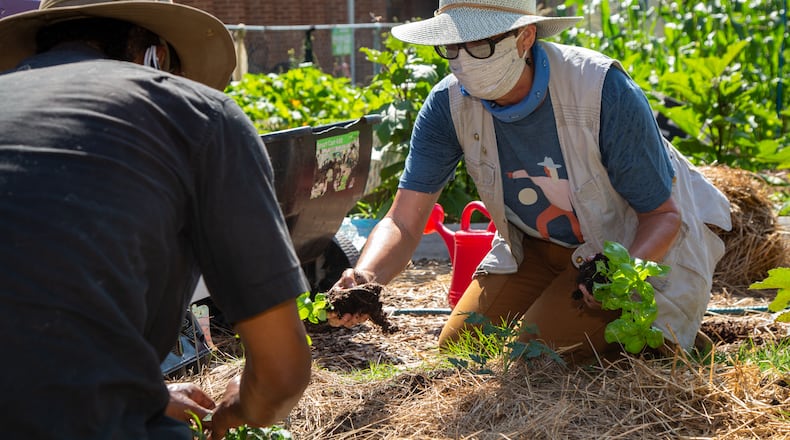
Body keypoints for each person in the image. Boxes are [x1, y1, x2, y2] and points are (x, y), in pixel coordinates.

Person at [329, 0, 732, 363]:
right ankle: (578, 318)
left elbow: (662, 215)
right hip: (536, 249)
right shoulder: (449, 105)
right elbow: (404, 220)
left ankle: (663, 345)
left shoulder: (600, 89)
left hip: (624, 247)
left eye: (481, 44)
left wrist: (614, 272)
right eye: (452, 46)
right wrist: (366, 277)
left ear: (525, 37)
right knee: (461, 350)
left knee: (535, 357)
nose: (464, 60)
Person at [0, 0, 312, 438]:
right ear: (156, 55)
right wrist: (238, 409)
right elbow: (281, 376)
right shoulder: (198, 115)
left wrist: (150, 394)